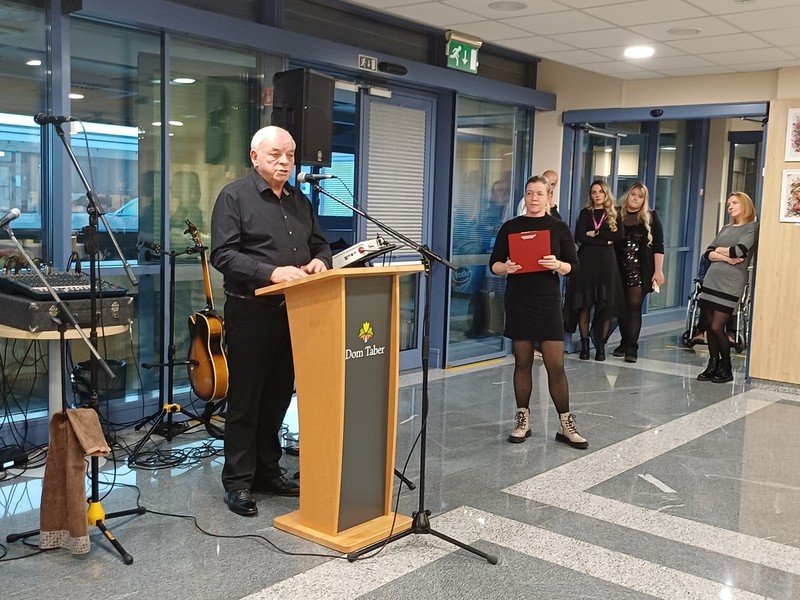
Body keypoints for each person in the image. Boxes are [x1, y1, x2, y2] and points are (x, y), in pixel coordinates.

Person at [210, 125, 332, 517]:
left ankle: (267, 471)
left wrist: (320, 261)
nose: (284, 162)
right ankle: (238, 482)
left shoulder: (299, 200)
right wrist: (272, 272)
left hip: (294, 312)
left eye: (290, 155)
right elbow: (223, 254)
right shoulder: (234, 197)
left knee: (278, 397)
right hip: (250, 312)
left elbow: (320, 244)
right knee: (245, 400)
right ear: (255, 157)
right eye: (275, 154)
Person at [489, 175, 587, 449]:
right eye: (530, 193)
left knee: (556, 364)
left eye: (539, 194)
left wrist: (557, 265)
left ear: (548, 197)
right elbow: (494, 264)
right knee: (522, 362)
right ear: (525, 196)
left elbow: (574, 267)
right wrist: (505, 268)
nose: (534, 198)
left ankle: (565, 424)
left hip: (547, 300)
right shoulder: (511, 227)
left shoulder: (558, 227)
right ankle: (523, 420)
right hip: (518, 299)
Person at [696, 192, 758, 383]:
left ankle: (726, 366)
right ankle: (712, 364)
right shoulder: (726, 228)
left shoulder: (752, 227)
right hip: (712, 280)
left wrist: (719, 251)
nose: (730, 206)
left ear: (745, 204)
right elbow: (708, 253)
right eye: (728, 204)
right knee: (709, 326)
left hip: (731, 283)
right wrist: (727, 258)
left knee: (717, 327)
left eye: (734, 203)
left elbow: (739, 251)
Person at [563, 180, 625, 361]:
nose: (597, 195)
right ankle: (584, 345)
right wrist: (605, 240)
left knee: (605, 305)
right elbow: (581, 237)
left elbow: (618, 236)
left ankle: (600, 346)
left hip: (607, 263)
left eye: (600, 192)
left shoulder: (614, 213)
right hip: (586, 262)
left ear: (606, 194)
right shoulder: (585, 213)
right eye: (593, 192)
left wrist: (596, 233)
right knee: (584, 303)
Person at [612, 182, 665, 362]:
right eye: (633, 194)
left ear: (644, 200)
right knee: (622, 307)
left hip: (640, 271)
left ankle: (632, 347)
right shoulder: (617, 214)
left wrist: (658, 271)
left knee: (634, 305)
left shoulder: (651, 217)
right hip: (618, 269)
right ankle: (624, 341)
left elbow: (659, 247)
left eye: (640, 196)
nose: (635, 198)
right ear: (628, 195)